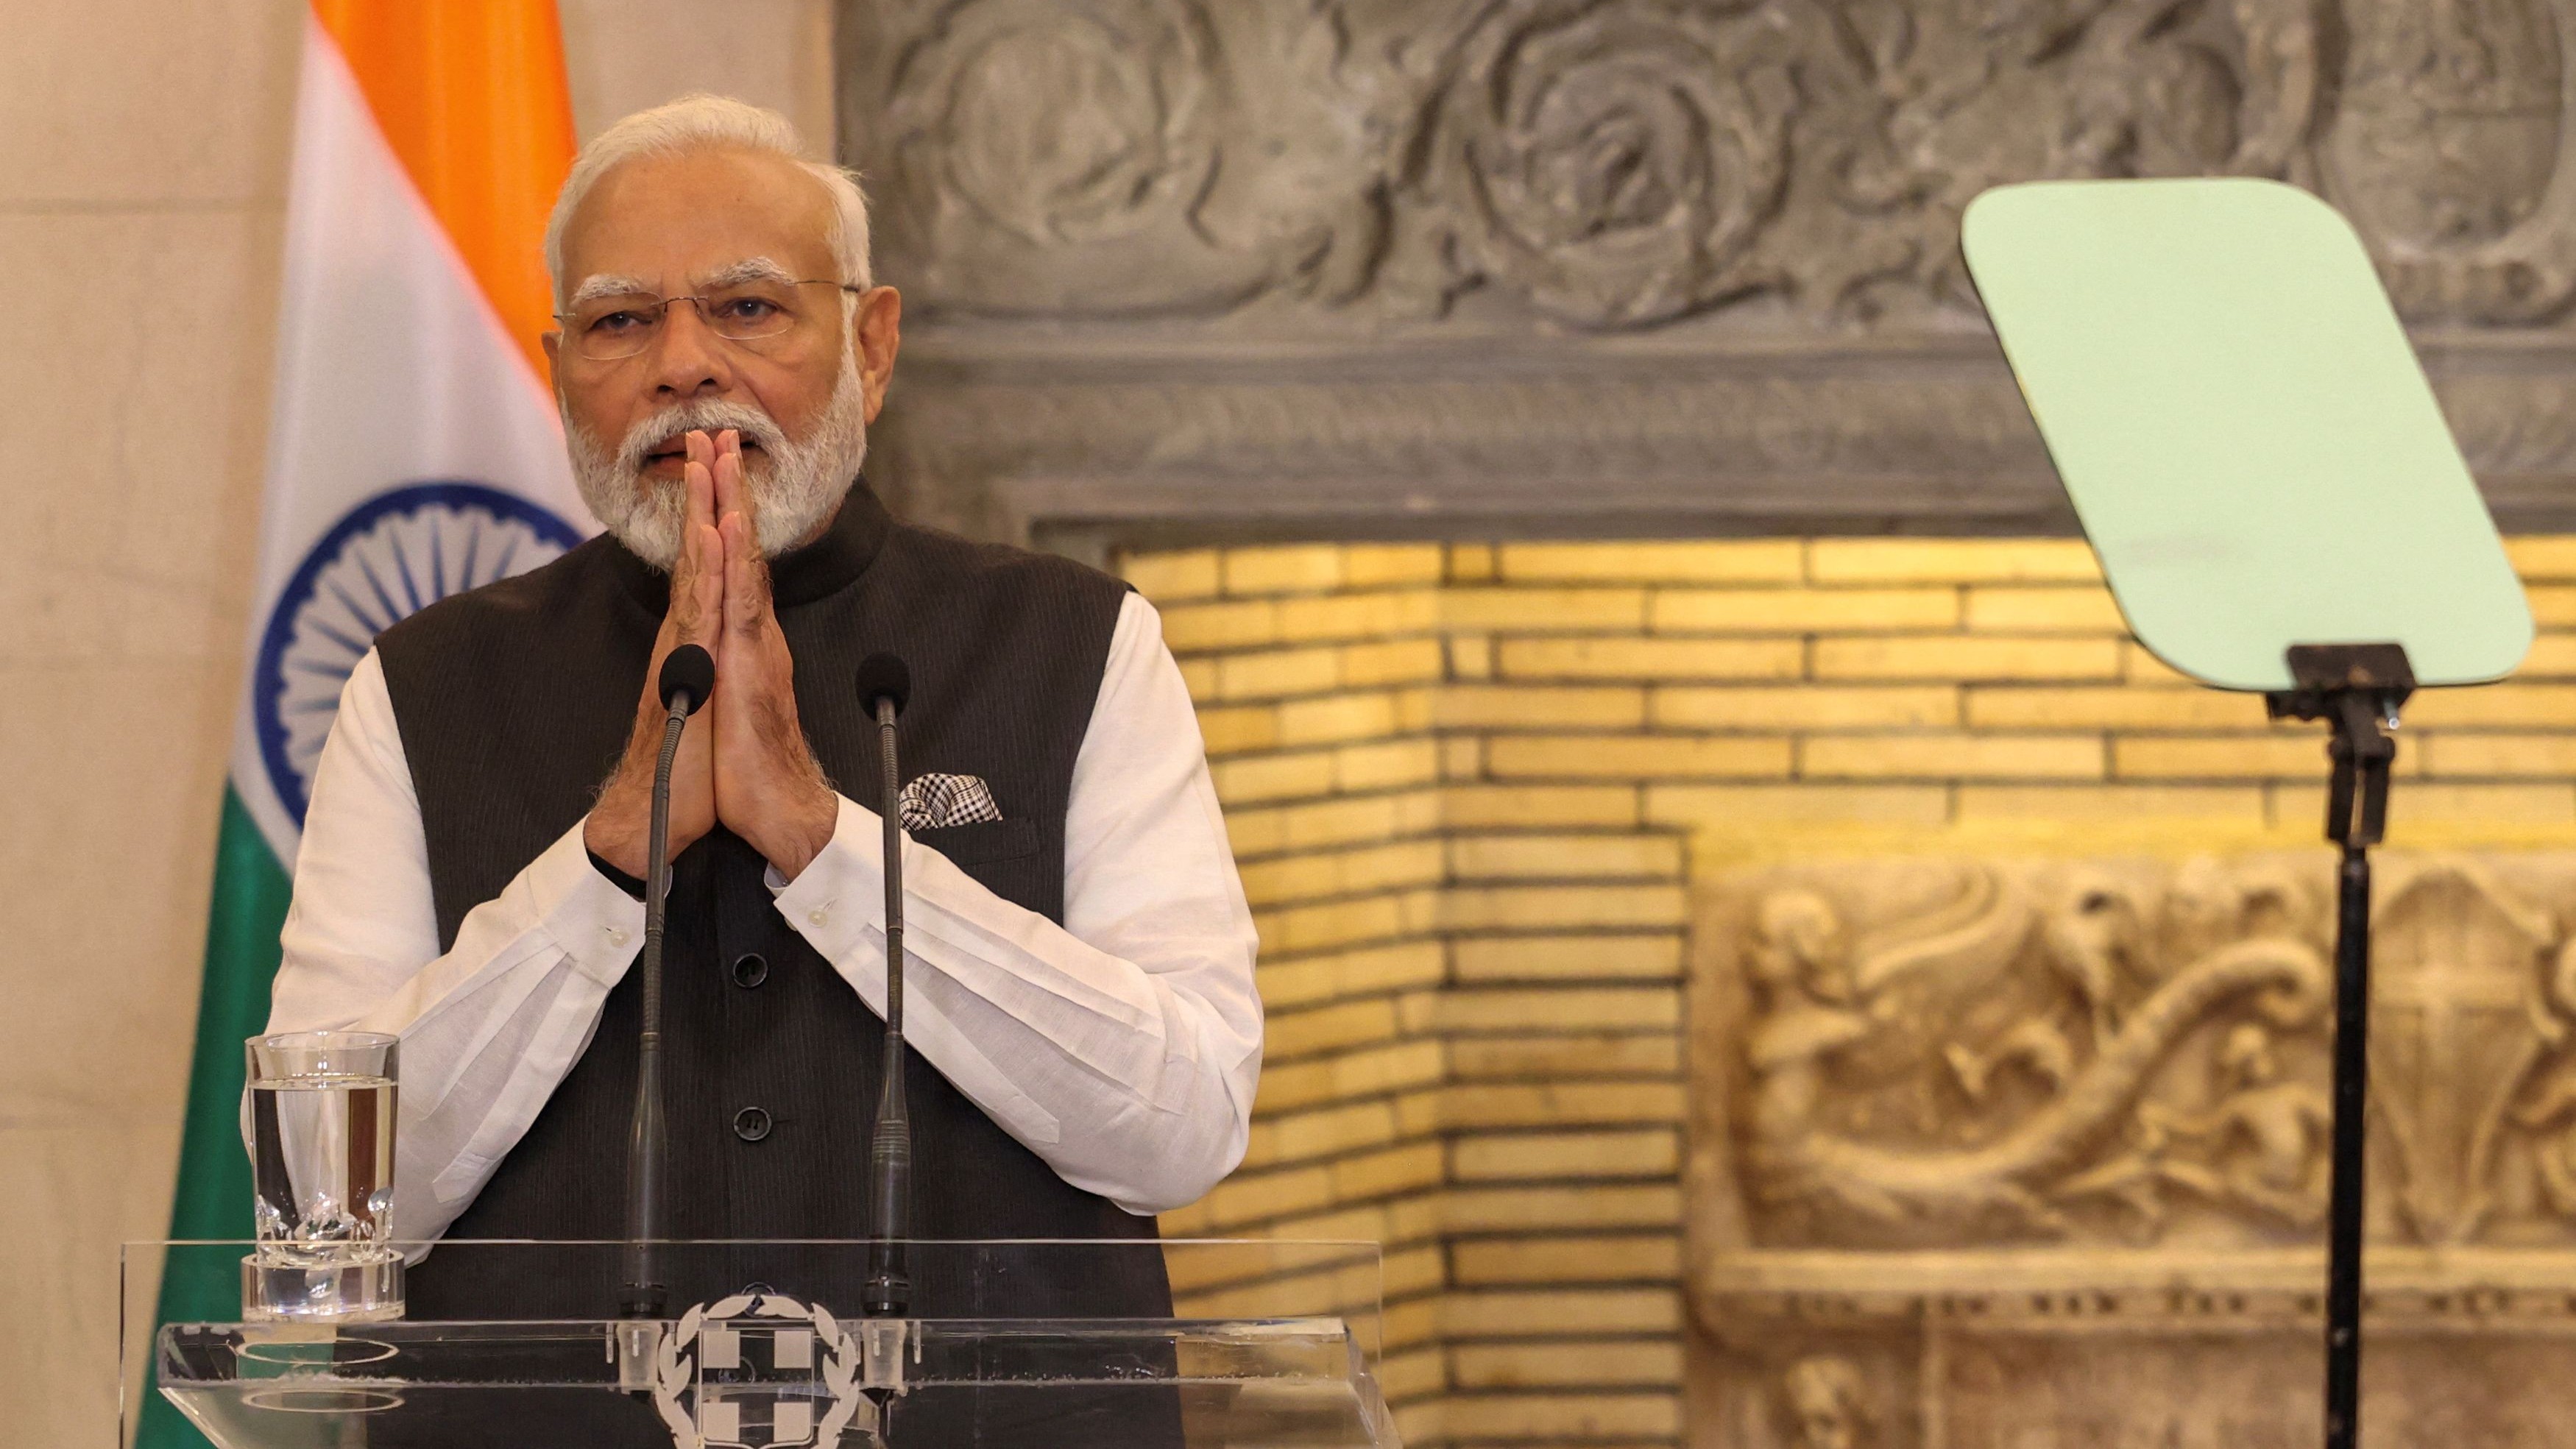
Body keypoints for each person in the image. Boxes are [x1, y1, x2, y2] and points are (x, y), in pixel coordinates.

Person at [262, 91, 1262, 1370]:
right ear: (562, 368)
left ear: (873, 346)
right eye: (623, 319)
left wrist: (822, 836)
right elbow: (314, 1194)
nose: (684, 363)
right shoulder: (419, 686)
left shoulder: (1080, 644)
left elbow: (1186, 1125)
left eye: (746, 307)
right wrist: (612, 854)